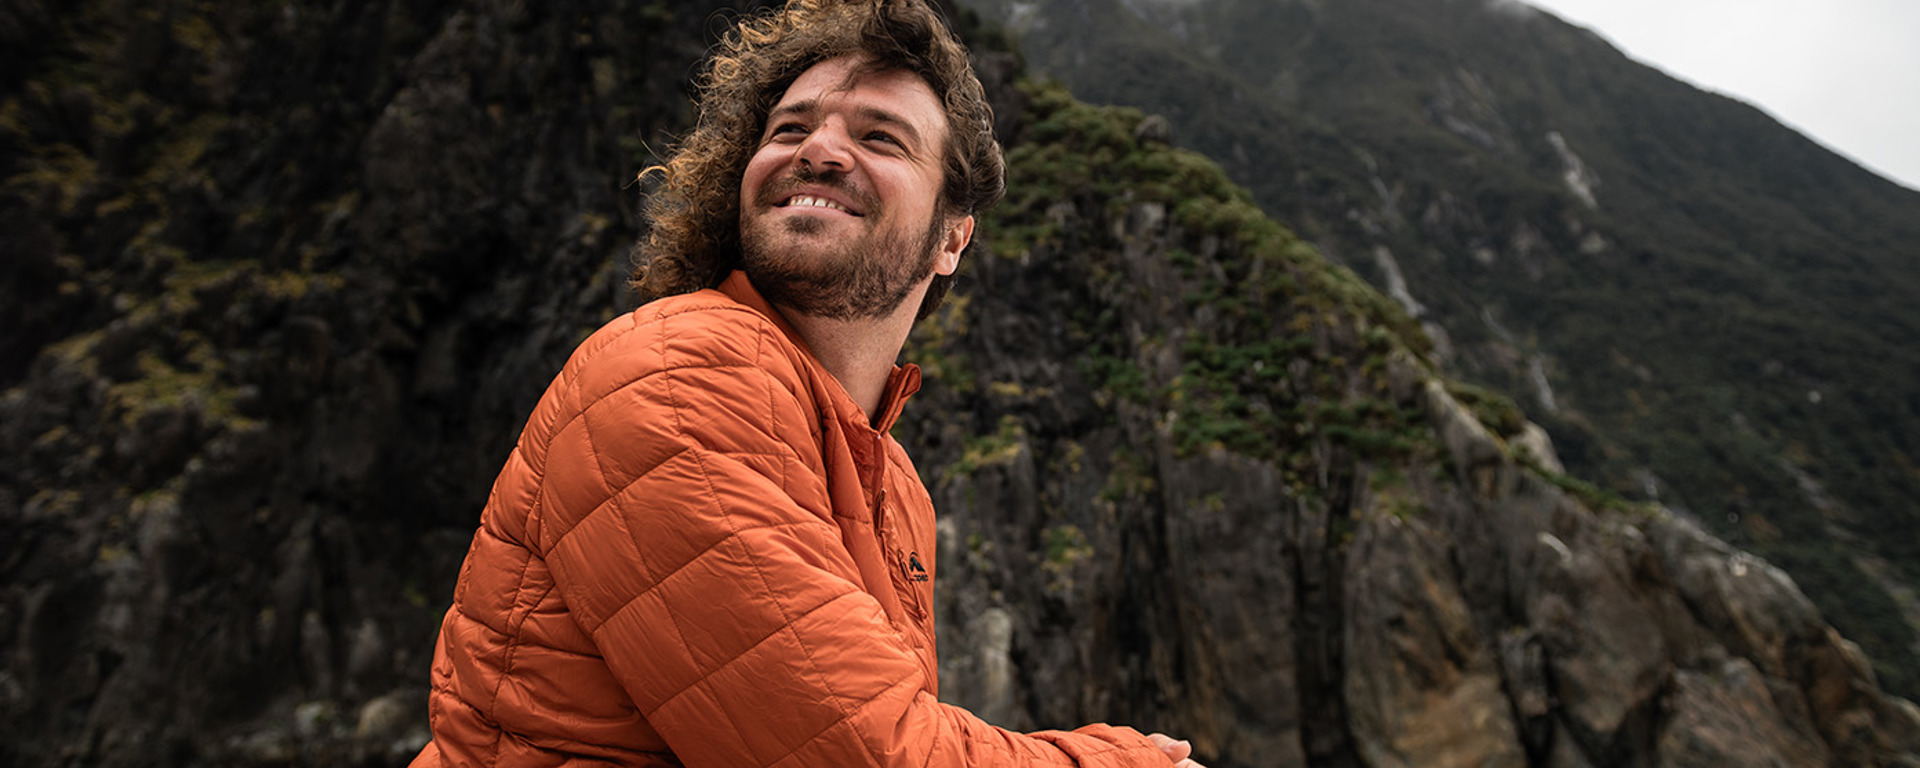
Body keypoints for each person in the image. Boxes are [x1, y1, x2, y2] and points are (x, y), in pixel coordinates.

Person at [411, 1, 1204, 765]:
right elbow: (863, 753)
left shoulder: (892, 480)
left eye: (881, 138)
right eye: (790, 128)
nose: (818, 151)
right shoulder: (676, 377)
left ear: (951, 239)